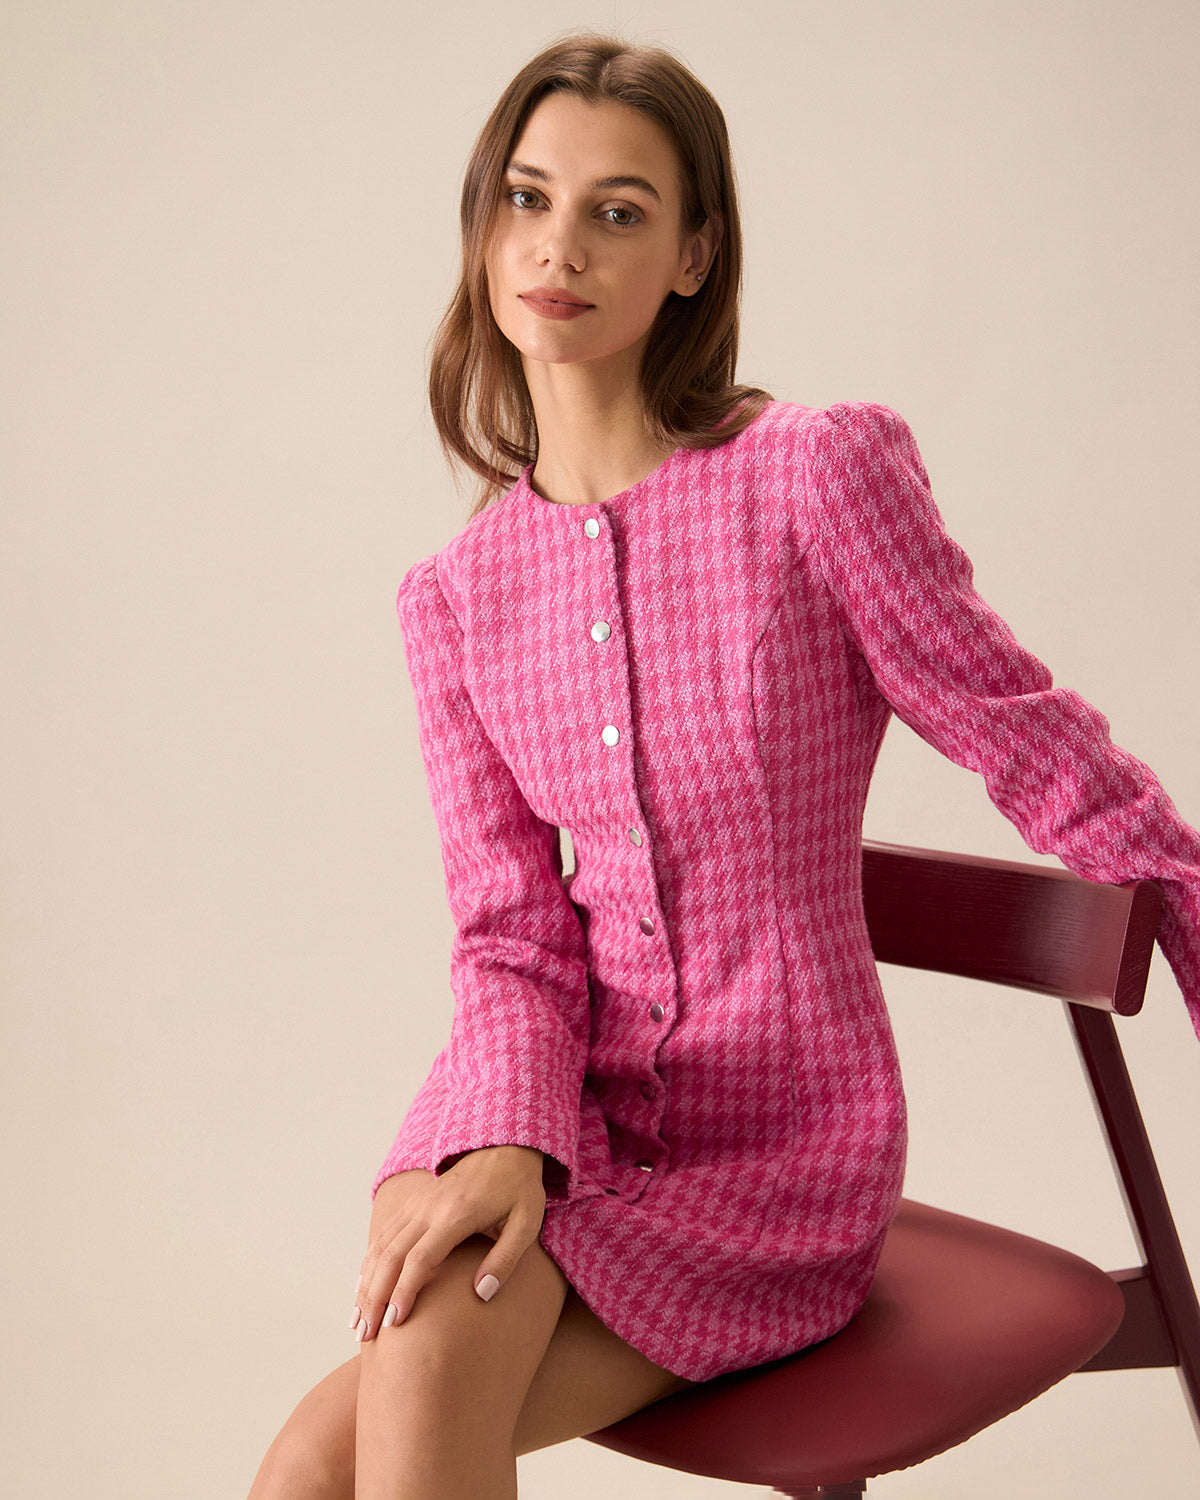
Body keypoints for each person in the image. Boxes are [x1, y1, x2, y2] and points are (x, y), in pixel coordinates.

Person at [247, 28, 1200, 1500]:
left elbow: (1026, 738)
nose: (559, 246)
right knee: (316, 1458)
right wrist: (502, 1139)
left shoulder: (812, 478)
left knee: (408, 1387)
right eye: (528, 198)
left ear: (692, 255)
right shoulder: (455, 600)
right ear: (484, 227)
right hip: (562, 1114)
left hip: (779, 1157)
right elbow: (509, 939)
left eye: (618, 210)